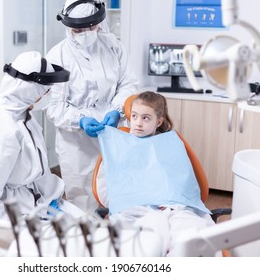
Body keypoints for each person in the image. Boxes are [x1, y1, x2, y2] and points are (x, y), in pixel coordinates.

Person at [0, 51, 84, 257]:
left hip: (30, 213)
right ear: (29, 89)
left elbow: (36, 174)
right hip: (4, 233)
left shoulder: (23, 117)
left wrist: (51, 200)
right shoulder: (0, 131)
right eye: (45, 90)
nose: (47, 95)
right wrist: (13, 251)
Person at [92, 91, 216, 256]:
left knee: (193, 236)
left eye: (145, 118)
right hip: (139, 210)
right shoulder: (119, 145)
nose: (138, 123)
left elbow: (183, 183)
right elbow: (112, 191)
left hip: (176, 207)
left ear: (159, 121)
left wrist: (169, 201)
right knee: (149, 238)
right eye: (134, 116)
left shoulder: (172, 142)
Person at [44, 0, 139, 212]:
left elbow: (128, 83)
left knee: (118, 194)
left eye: (91, 26)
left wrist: (116, 109)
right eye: (79, 30)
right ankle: (88, 244)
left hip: (114, 132)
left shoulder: (113, 46)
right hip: (76, 143)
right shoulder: (57, 56)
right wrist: (80, 119)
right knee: (83, 201)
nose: (86, 33)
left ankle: (116, 242)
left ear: (99, 22)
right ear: (68, 26)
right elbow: (53, 105)